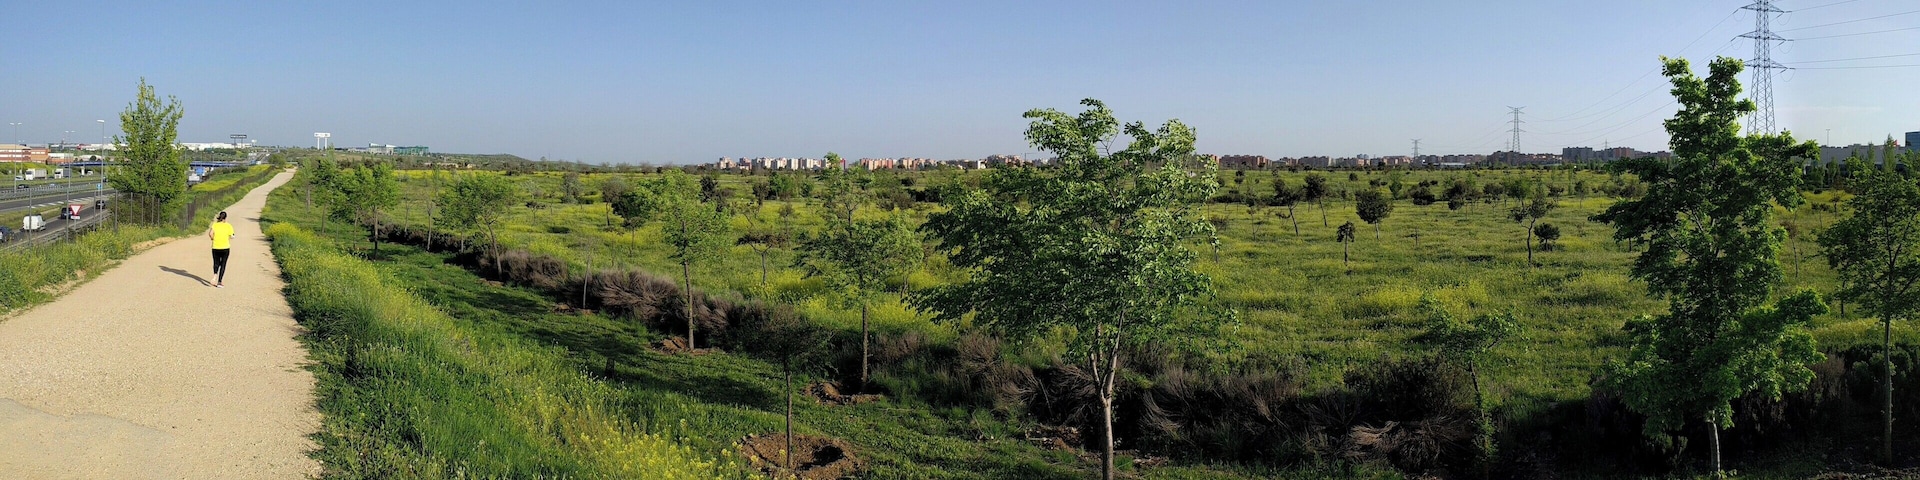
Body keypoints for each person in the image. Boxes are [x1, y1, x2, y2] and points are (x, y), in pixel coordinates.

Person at [209, 211, 234, 288]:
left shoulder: (215, 225)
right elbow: (232, 236)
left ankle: (215, 275)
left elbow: (210, 234)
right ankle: (219, 282)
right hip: (225, 247)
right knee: (223, 264)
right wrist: (227, 238)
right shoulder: (229, 226)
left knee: (216, 262)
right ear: (225, 218)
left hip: (215, 247)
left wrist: (213, 239)